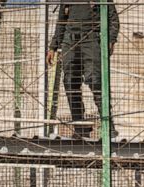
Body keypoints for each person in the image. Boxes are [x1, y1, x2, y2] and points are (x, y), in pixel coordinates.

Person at [47, 0, 120, 139]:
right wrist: (53, 46)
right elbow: (61, 22)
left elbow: (113, 18)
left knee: (95, 81)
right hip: (70, 40)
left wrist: (111, 40)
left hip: (91, 38)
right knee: (70, 82)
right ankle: (80, 126)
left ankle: (108, 126)